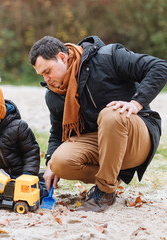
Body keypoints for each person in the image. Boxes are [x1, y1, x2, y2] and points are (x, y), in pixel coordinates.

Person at [29, 35, 167, 212]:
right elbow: (57, 133)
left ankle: (104, 192)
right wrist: (49, 164)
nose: (46, 79)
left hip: (136, 137)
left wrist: (135, 103)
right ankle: (110, 178)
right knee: (59, 162)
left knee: (110, 115)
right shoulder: (54, 94)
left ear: (62, 58)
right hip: (101, 145)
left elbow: (160, 67)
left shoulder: (108, 57)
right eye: (41, 75)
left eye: (47, 71)